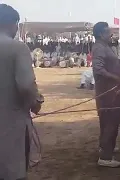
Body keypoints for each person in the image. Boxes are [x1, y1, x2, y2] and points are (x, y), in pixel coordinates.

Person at [0, 4, 43, 180]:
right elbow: (26, 86)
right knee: (12, 171)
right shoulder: (17, 48)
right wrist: (35, 103)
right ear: (13, 24)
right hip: (10, 124)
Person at [92, 22, 120, 168]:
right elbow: (99, 69)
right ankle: (105, 157)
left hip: (113, 92)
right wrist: (119, 79)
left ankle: (106, 147)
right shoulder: (99, 48)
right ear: (101, 34)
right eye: (108, 32)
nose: (111, 34)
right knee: (110, 122)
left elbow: (116, 63)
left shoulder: (105, 47)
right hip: (108, 93)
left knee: (110, 122)